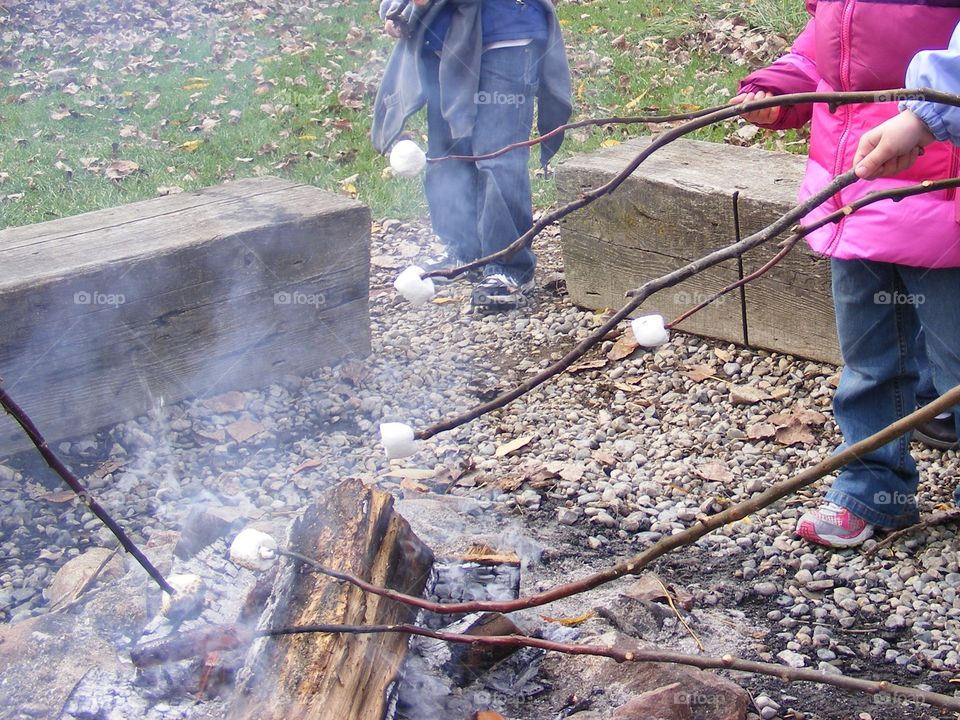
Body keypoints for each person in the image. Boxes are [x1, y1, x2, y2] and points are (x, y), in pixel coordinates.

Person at [732, 4, 960, 548]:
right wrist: (787, 85)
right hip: (854, 192)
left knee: (956, 359)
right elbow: (832, 37)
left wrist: (925, 116)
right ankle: (871, 489)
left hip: (939, 190)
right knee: (869, 360)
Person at [372, 0, 572, 312]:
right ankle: (463, 252)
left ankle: (509, 266)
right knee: (448, 155)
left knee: (498, 155)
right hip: (441, 36)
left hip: (506, 30)